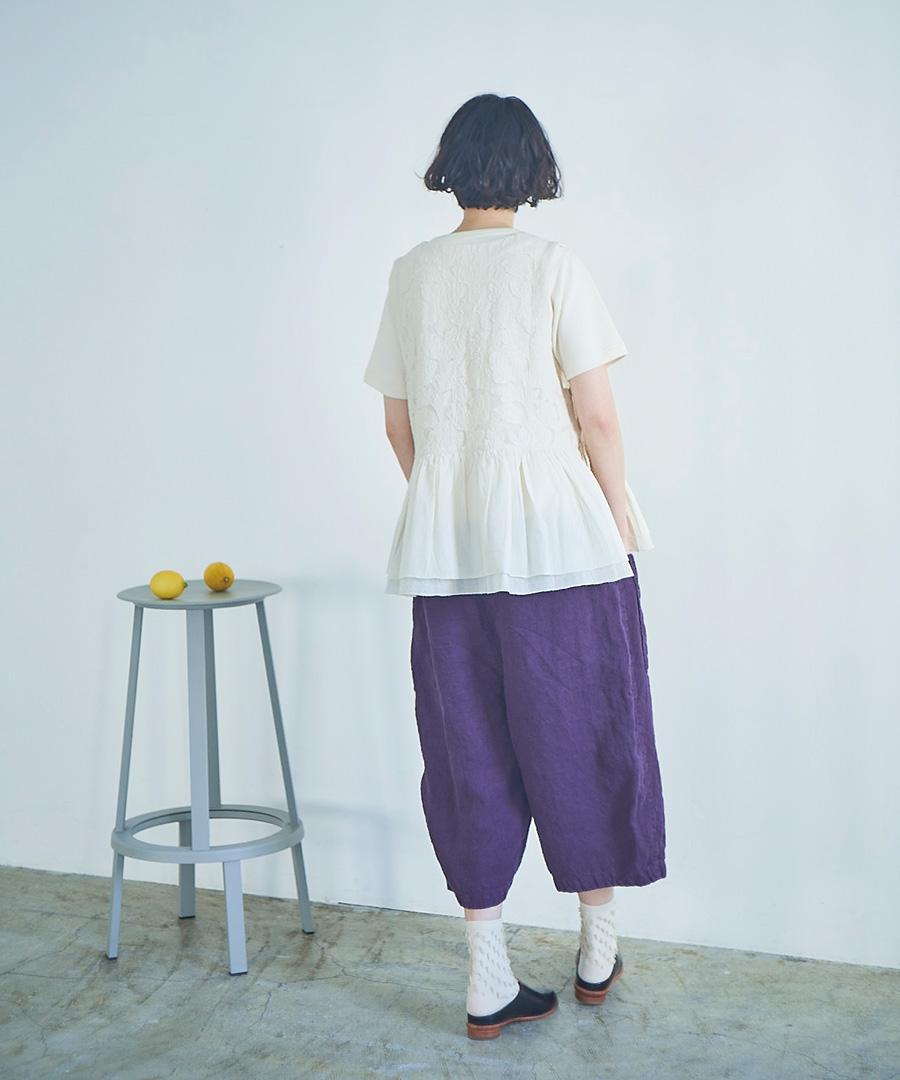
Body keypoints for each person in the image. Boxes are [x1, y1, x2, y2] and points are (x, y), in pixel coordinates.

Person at [363, 93, 667, 1040]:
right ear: (533, 168)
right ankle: (596, 950)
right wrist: (614, 515)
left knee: (467, 751)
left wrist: (455, 507)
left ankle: (486, 977)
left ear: (451, 165)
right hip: (564, 549)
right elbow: (598, 417)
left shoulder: (412, 274)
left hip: (448, 555)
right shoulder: (551, 266)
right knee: (587, 731)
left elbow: (398, 427)